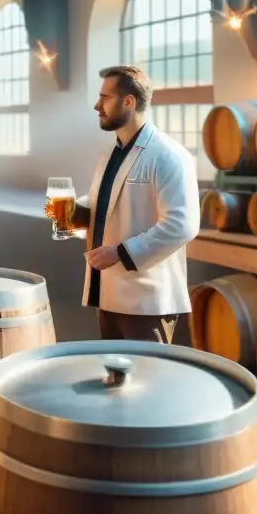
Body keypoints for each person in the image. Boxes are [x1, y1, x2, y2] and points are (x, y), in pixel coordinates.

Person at [45, 65, 200, 341]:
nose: (97, 105)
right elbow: (102, 205)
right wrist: (72, 213)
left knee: (149, 380)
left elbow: (182, 225)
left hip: (148, 302)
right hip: (108, 295)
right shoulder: (108, 154)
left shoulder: (169, 155)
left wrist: (120, 252)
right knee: (117, 380)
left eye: (105, 98)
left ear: (129, 102)